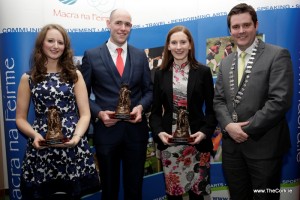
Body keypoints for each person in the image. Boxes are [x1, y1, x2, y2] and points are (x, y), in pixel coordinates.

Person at [213, 3, 293, 200]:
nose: (241, 31)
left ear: (256, 25)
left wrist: (243, 130)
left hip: (264, 148)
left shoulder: (277, 55)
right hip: (232, 150)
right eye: (236, 27)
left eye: (246, 25)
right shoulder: (225, 62)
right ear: (230, 30)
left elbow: (279, 101)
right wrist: (229, 126)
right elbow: (219, 100)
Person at [15, 24, 100, 200]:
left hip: (72, 145)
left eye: (60, 42)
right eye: (51, 41)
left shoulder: (75, 75)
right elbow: (20, 119)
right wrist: (34, 135)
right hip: (42, 145)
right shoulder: (28, 78)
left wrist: (76, 138)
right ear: (41, 44)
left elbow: (85, 114)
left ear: (65, 47)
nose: (55, 46)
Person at [80, 9, 153, 200]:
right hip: (106, 133)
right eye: (118, 23)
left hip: (136, 133)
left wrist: (141, 107)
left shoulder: (140, 55)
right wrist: (99, 114)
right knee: (109, 190)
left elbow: (149, 91)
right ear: (108, 24)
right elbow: (82, 96)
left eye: (127, 24)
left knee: (134, 190)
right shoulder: (92, 55)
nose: (123, 28)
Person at [149, 25, 217, 200]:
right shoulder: (159, 74)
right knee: (174, 196)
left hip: (197, 143)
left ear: (190, 45)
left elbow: (212, 110)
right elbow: (155, 112)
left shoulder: (203, 72)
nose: (178, 47)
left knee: (198, 195)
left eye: (182, 42)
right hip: (170, 144)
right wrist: (159, 133)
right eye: (174, 43)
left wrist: (204, 133)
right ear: (168, 46)